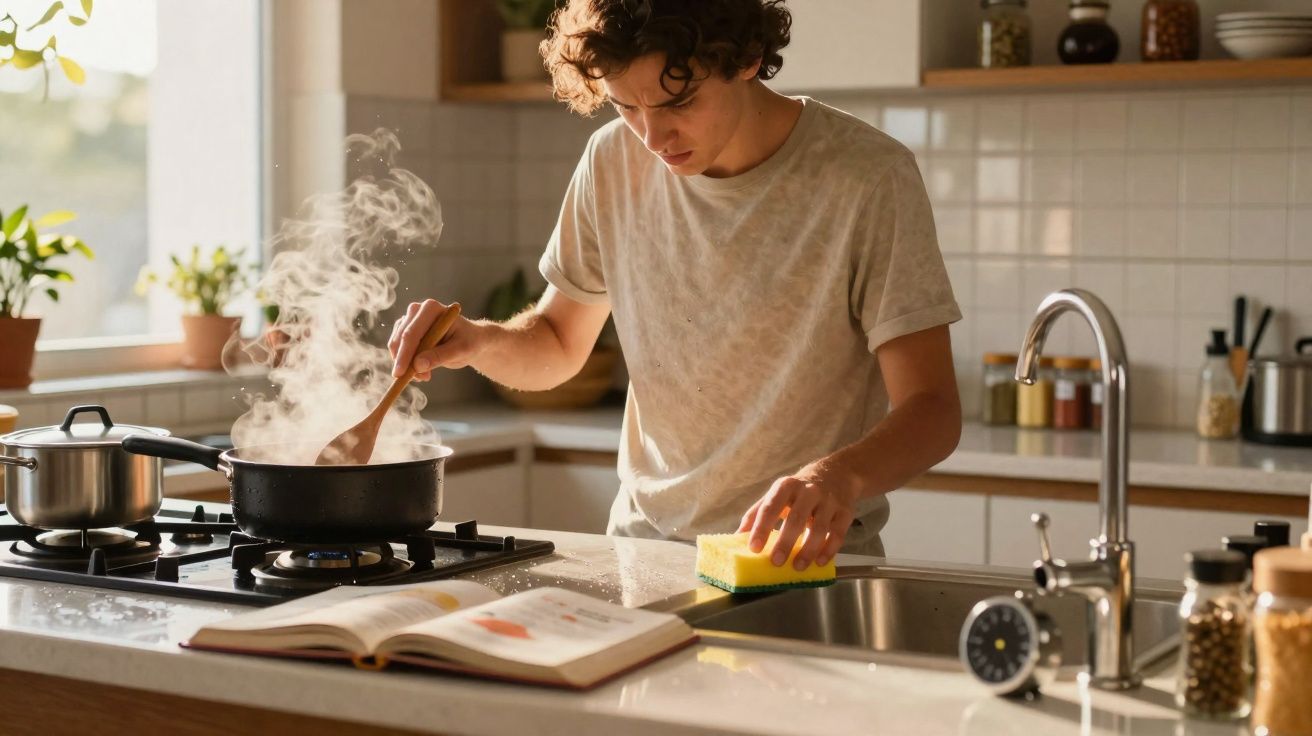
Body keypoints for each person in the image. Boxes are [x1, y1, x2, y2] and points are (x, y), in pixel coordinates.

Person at [390, 0, 962, 569]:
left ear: (747, 58)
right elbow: (559, 344)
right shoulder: (609, 161)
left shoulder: (867, 176)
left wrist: (837, 476)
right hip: (643, 556)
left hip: (802, 559)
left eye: (679, 102)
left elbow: (932, 408)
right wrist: (480, 342)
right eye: (625, 108)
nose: (653, 137)